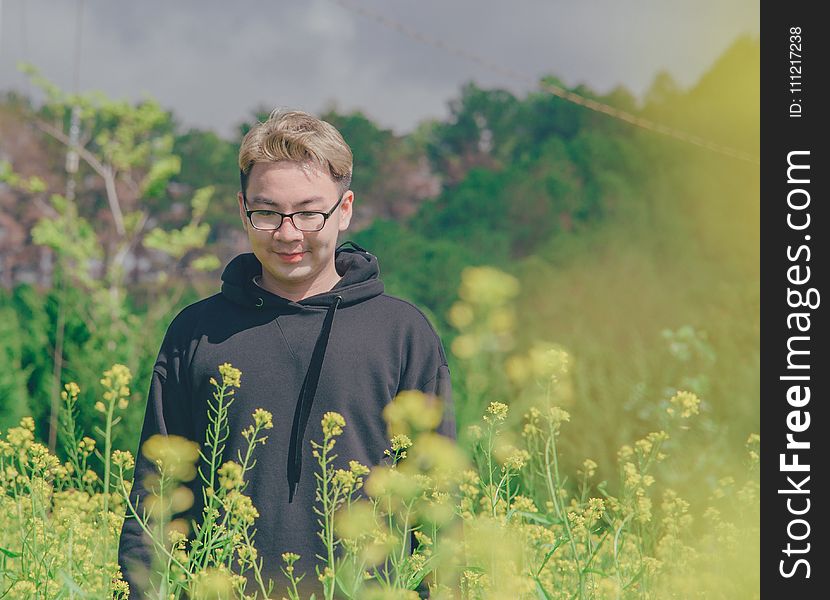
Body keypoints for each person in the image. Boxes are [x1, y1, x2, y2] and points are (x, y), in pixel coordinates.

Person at [117, 109, 455, 598]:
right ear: (242, 210)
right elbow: (155, 502)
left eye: (308, 212)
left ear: (344, 209)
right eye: (268, 212)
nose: (288, 233)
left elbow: (438, 507)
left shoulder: (402, 333)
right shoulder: (197, 333)